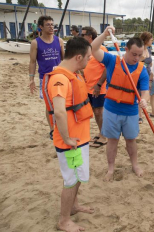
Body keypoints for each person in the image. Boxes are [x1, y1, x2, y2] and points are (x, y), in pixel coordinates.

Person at [42, 37, 94, 232]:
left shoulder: (72, 74)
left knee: (78, 176)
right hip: (70, 142)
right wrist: (66, 138)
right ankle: (64, 221)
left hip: (78, 138)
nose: (89, 61)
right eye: (88, 57)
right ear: (78, 57)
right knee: (71, 180)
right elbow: (59, 111)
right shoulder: (60, 79)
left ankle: (73, 206)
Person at [91, 26, 149, 180]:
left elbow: (145, 91)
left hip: (130, 111)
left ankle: (135, 165)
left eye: (139, 55)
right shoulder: (112, 60)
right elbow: (94, 49)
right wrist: (104, 34)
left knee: (131, 140)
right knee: (112, 140)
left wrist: (144, 100)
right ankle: (110, 168)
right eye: (133, 54)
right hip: (111, 109)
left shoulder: (142, 70)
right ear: (126, 49)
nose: (136, 58)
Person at [29, 15, 65, 140]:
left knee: (61, 103)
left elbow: (65, 59)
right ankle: (52, 129)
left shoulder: (59, 41)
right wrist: (31, 78)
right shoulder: (35, 43)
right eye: (48, 24)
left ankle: (62, 127)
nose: (51, 27)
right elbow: (32, 62)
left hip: (60, 76)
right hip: (45, 78)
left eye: (52, 24)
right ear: (41, 27)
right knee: (49, 105)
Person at [82, 26, 108, 148]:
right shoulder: (86, 50)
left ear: (90, 36)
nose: (81, 37)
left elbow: (108, 68)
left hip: (99, 87)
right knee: (95, 111)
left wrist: (98, 84)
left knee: (99, 111)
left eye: (83, 35)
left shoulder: (101, 49)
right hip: (88, 87)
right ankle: (101, 132)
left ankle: (104, 136)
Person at [138, 31, 154, 124]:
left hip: (149, 73)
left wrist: (152, 74)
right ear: (146, 40)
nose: (152, 41)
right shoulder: (139, 49)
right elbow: (135, 62)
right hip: (141, 74)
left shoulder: (149, 50)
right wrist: (142, 59)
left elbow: (150, 63)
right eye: (151, 39)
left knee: (153, 93)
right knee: (141, 95)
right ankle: (140, 116)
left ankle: (153, 112)